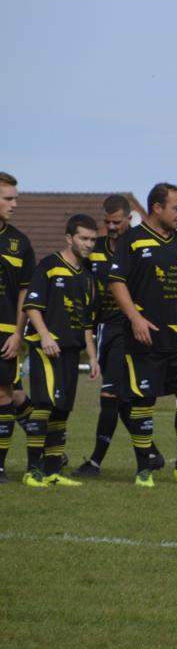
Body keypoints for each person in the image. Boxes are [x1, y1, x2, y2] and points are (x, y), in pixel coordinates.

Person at [108, 183, 177, 487]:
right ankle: (144, 469)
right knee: (144, 399)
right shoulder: (132, 240)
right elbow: (117, 282)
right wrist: (136, 319)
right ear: (157, 208)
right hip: (145, 337)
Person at [73, 194, 165, 477]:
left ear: (129, 219)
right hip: (106, 331)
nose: (111, 227)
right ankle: (151, 453)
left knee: (112, 395)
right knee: (120, 399)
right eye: (107, 222)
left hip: (129, 331)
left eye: (117, 221)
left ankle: (97, 463)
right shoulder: (95, 249)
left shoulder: (137, 246)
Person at [20, 214, 100, 486]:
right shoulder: (50, 266)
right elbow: (32, 305)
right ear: (69, 238)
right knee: (44, 405)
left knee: (62, 410)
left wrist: (92, 355)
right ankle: (33, 471)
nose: (89, 244)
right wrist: (44, 336)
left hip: (70, 351)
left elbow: (88, 321)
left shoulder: (88, 276)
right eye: (84, 238)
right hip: (47, 349)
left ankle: (53, 471)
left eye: (92, 239)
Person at [0, 172, 35, 484]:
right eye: (8, 198)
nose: (14, 204)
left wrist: (17, 332)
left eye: (15, 198)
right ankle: (47, 443)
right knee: (19, 396)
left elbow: (25, 293)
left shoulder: (19, 243)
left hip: (4, 332)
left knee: (4, 394)